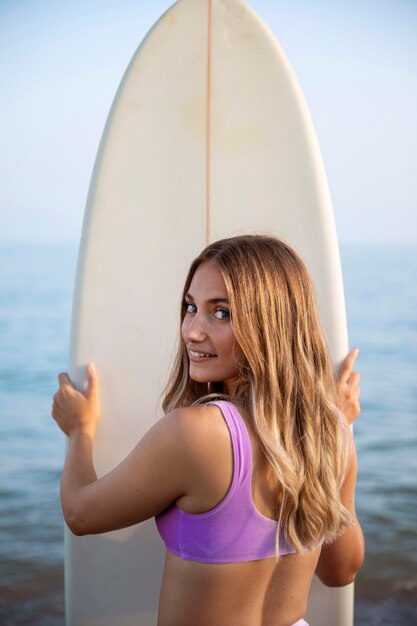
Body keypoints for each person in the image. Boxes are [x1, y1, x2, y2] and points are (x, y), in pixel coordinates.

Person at [52, 235, 364, 626]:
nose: (192, 331)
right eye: (190, 307)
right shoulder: (333, 432)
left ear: (272, 324)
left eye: (222, 313)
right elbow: (342, 572)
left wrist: (80, 429)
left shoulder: (194, 433)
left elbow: (80, 515)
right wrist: (341, 426)